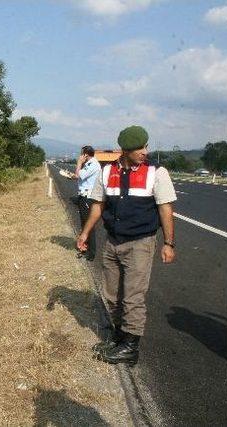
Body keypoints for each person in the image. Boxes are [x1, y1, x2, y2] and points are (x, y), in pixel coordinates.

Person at [76, 125, 176, 366]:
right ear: (125, 150)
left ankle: (130, 347)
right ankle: (119, 337)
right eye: (139, 148)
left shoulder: (157, 172)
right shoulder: (106, 171)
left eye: (145, 146)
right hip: (113, 241)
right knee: (111, 294)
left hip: (140, 243)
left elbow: (165, 208)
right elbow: (98, 205)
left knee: (132, 297)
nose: (145, 151)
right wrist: (85, 234)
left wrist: (169, 243)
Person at [70, 146, 101, 261]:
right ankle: (85, 247)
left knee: (89, 225)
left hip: (88, 197)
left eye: (81, 154)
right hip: (83, 196)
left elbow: (79, 175)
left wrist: (79, 163)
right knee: (84, 224)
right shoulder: (89, 164)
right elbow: (79, 177)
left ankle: (91, 253)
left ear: (86, 155)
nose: (80, 156)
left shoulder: (93, 164)